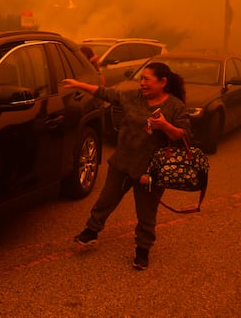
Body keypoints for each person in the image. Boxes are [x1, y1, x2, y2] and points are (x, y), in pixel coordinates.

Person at [60, 61, 191, 270]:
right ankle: (91, 231)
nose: (142, 83)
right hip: (123, 162)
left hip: (151, 172)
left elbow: (184, 136)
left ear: (163, 82)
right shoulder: (132, 97)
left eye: (147, 79)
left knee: (146, 213)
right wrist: (79, 85)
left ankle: (142, 251)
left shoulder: (175, 106)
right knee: (106, 200)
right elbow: (106, 93)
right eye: (141, 78)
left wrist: (165, 125)